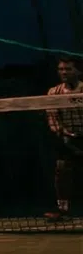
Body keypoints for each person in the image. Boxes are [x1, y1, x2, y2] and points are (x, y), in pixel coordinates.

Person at [46, 55, 82, 221]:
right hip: (68, 139)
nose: (64, 72)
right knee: (62, 169)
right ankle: (63, 209)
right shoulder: (54, 92)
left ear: (78, 71)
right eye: (61, 69)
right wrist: (63, 133)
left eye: (68, 69)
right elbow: (52, 117)